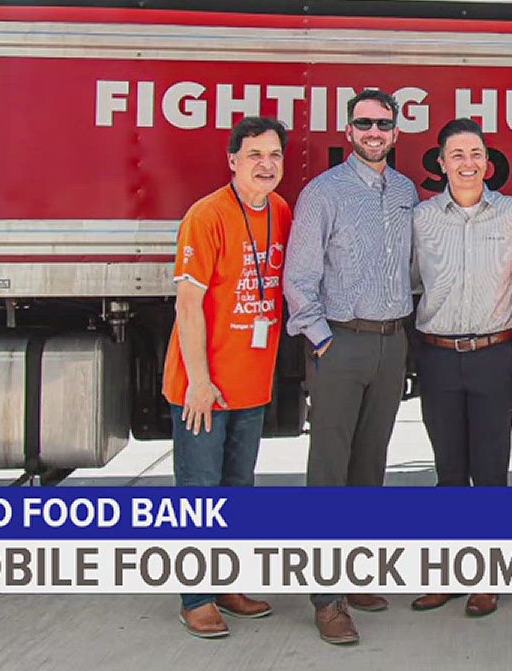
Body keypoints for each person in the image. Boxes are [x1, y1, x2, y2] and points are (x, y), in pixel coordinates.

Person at [284, 87, 419, 645]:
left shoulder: (407, 190)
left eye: (383, 123)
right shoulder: (323, 193)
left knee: (371, 465)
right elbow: (298, 278)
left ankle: (356, 575)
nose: (374, 132)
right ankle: (325, 597)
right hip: (341, 343)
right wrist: (321, 342)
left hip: (392, 344)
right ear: (349, 131)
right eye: (364, 123)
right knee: (329, 471)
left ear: (395, 131)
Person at [166, 116, 291, 639]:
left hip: (250, 383)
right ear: (233, 161)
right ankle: (195, 597)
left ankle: (228, 583)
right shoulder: (207, 215)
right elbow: (188, 303)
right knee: (199, 490)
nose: (267, 164)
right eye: (256, 155)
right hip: (204, 387)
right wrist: (199, 380)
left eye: (275, 155)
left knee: (238, 489)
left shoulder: (280, 211)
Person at [408, 118, 512, 619]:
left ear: (488, 162)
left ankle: (488, 578)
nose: (467, 162)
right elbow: (411, 278)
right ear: (441, 163)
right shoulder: (421, 219)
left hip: (493, 357)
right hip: (438, 356)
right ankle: (446, 574)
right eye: (457, 154)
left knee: (490, 472)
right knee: (449, 473)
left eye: (476, 153)